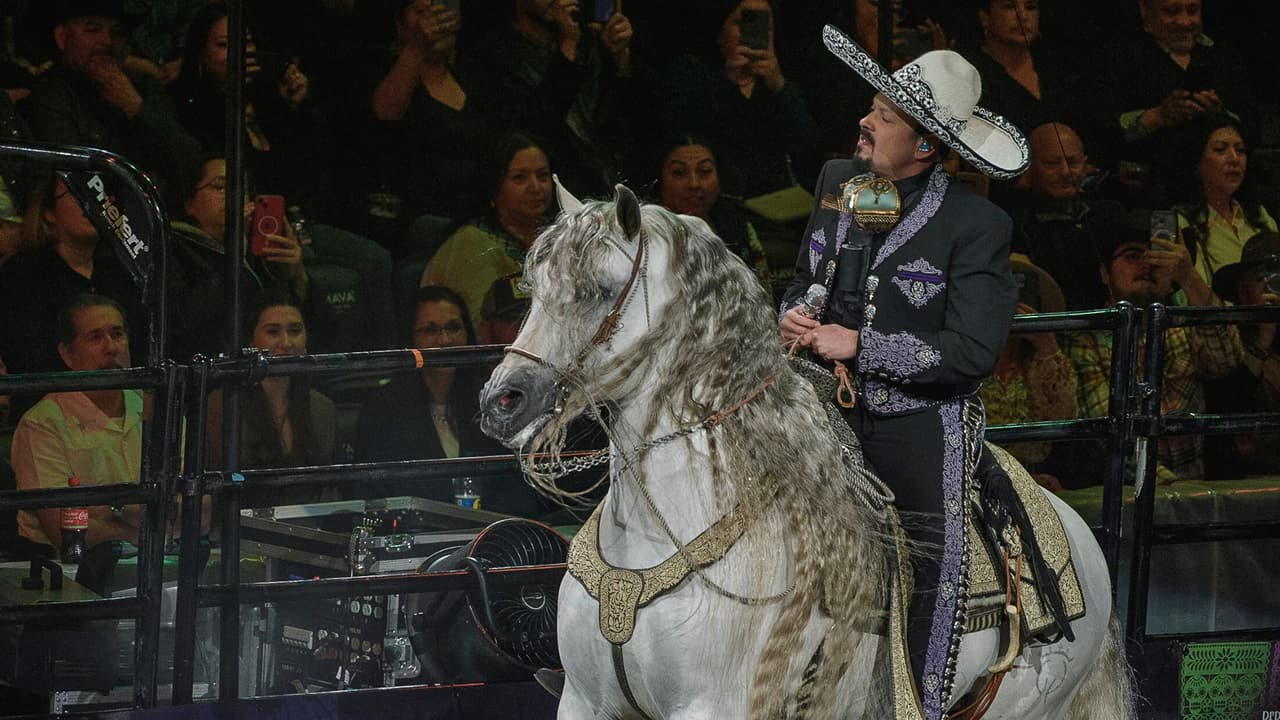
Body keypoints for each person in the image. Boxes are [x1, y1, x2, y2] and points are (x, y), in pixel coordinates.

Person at [778, 37, 1024, 718]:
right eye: (872, 107)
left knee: (926, 556)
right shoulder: (836, 179)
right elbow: (806, 279)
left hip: (914, 416)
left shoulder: (977, 224)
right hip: (815, 394)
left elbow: (972, 352)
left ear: (923, 147)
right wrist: (796, 315)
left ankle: (916, 703)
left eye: (884, 117)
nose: (866, 122)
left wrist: (860, 344)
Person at [1062, 210, 1242, 483]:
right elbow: (1110, 438)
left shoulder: (1183, 325)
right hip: (1124, 500)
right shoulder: (1086, 338)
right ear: (1105, 273)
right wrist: (1177, 494)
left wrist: (1189, 276)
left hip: (1194, 491)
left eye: (1158, 255)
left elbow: (1226, 360)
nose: (1148, 264)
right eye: (1133, 255)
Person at [355, 286, 535, 513]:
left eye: (453, 327)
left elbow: (516, 485)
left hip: (491, 534)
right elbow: (377, 494)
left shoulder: (495, 401)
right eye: (430, 330)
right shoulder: (382, 410)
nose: (445, 339)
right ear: (411, 339)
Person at [1085, 0, 1258, 207]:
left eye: (1192, 11)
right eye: (1172, 11)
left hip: (1221, 198)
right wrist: (1158, 117)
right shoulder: (1118, 57)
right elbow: (1099, 131)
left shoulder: (1223, 58)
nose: (1184, 22)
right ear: (1144, 9)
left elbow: (1253, 130)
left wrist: (1220, 116)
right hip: (1145, 199)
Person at [20, 0, 199, 190]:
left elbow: (192, 167)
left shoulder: (145, 89)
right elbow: (77, 180)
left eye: (117, 32)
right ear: (62, 37)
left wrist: (135, 107)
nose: (107, 41)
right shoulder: (50, 97)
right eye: (93, 30)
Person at [11, 294, 142, 550]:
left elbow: (200, 512)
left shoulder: (153, 407)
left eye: (117, 334)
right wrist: (143, 530)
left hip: (159, 566)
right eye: (95, 338)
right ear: (67, 354)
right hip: (66, 573)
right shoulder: (41, 424)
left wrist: (107, 515)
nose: (112, 348)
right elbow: (66, 532)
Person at [659, 0, 821, 201]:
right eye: (742, 23)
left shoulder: (786, 85)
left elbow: (808, 151)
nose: (751, 33)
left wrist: (780, 88)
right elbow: (689, 139)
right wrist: (728, 84)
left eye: (765, 27)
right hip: (717, 201)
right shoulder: (692, 73)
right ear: (721, 30)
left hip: (780, 202)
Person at [0, 173, 143, 396]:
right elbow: (27, 360)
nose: (90, 203)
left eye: (96, 194)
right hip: (51, 412)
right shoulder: (21, 276)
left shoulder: (123, 273)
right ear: (49, 213)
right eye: (77, 194)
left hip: (122, 405)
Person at [167, 153, 309, 361]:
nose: (234, 195)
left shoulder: (260, 245)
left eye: (241, 189)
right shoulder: (173, 246)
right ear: (190, 204)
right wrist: (233, 258)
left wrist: (296, 277)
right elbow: (184, 322)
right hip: (210, 375)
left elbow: (297, 328)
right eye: (220, 187)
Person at [205, 289, 337, 508]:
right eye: (273, 332)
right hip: (240, 532)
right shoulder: (221, 406)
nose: (286, 342)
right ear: (251, 340)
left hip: (309, 532)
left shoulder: (322, 408)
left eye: (295, 330)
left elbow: (329, 492)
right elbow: (214, 492)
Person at [418, 130, 553, 344]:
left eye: (543, 176)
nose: (536, 187)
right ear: (495, 186)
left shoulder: (559, 236)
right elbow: (485, 338)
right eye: (520, 178)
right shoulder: (471, 245)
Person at [980, 255, 1078, 492]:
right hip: (974, 475)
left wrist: (1046, 343)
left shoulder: (1039, 365)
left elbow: (1064, 419)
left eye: (1022, 287)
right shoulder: (967, 358)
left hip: (1034, 479)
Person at [1001, 121, 1112, 310]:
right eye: (1052, 164)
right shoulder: (1009, 222)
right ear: (1027, 167)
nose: (1066, 172)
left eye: (1073, 163)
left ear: (1086, 166)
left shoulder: (1107, 213)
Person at [1202, 232, 1280, 478]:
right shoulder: (1229, 339)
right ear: (1242, 292)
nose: (1274, 287)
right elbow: (1230, 402)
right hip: (1250, 479)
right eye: (1262, 278)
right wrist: (1264, 338)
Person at [651, 133, 771, 291]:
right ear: (660, 179)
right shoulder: (645, 235)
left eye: (705, 171)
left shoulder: (737, 225)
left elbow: (763, 295)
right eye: (679, 173)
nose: (694, 184)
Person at [1170, 112, 1277, 287]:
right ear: (1197, 160)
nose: (1234, 159)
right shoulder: (1182, 222)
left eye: (1240, 150)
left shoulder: (1259, 215)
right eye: (1220, 149)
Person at [957, 0, 1086, 135]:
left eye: (1031, 7)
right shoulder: (969, 74)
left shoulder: (1059, 69)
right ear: (984, 17)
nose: (1022, 16)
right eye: (1010, 7)